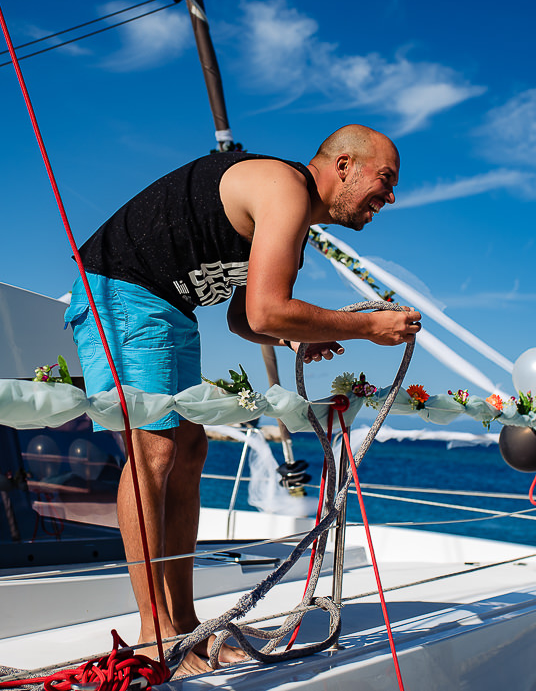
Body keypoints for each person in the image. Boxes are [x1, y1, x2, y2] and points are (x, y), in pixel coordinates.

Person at [63, 124, 421, 676]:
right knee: (155, 452)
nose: (390, 196)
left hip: (167, 308)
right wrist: (368, 325)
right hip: (122, 292)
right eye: (385, 179)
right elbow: (263, 313)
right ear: (344, 165)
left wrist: (298, 334)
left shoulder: (294, 224)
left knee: (190, 450)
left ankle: (182, 626)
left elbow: (241, 316)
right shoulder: (286, 188)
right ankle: (155, 634)